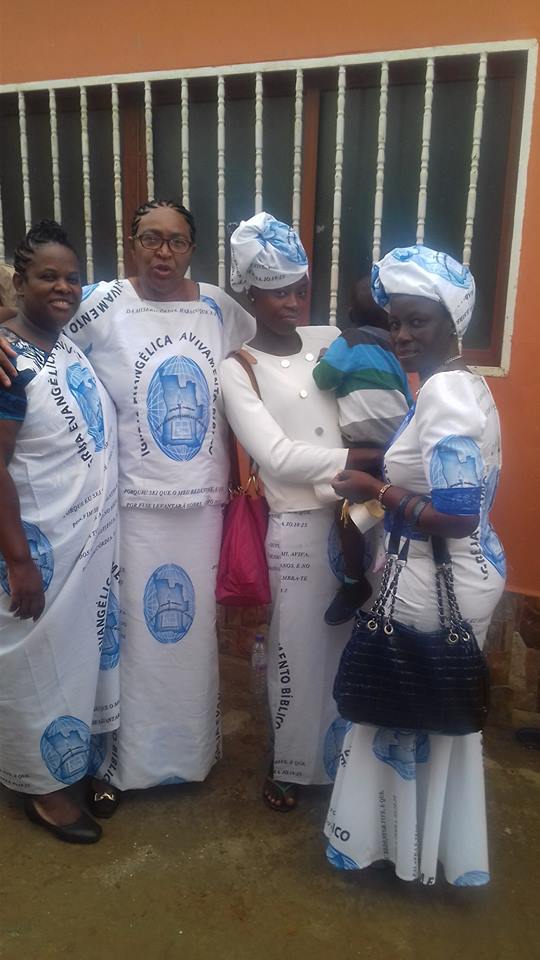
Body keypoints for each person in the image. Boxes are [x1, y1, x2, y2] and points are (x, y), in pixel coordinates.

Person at [323, 244, 505, 885]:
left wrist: (373, 490)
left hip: (437, 574)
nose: (400, 334)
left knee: (398, 709)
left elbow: (456, 514)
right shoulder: (463, 384)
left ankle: (395, 850)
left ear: (451, 324)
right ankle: (425, 851)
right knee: (435, 718)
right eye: (395, 321)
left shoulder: (447, 393)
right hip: (455, 571)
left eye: (416, 321)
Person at [220, 212, 381, 811]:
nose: (291, 302)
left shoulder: (328, 339)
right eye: (276, 292)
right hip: (298, 528)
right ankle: (288, 764)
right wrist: (363, 459)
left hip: (361, 518)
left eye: (299, 289)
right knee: (297, 650)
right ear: (250, 294)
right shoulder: (238, 368)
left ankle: (350, 764)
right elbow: (278, 458)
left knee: (352, 645)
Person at [0, 220, 118, 843]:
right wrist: (20, 561)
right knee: (35, 667)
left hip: (87, 553)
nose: (64, 287)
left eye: (73, 277)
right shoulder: (6, 363)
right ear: (20, 283)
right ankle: (40, 787)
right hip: (36, 554)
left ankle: (73, 763)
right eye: (47, 276)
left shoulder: (68, 346)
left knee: (75, 664)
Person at [313, 276, 411, 624]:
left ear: (351, 313)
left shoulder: (348, 340)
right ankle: (388, 561)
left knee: (347, 514)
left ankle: (355, 583)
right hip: (397, 443)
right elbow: (406, 395)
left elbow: (323, 379)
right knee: (389, 503)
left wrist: (323, 359)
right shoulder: (395, 347)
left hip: (363, 447)